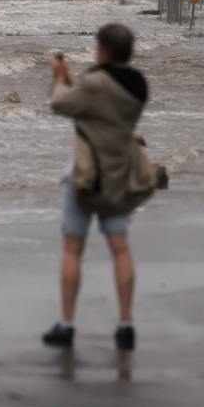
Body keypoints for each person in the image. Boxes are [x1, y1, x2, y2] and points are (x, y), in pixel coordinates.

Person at [41, 23, 154, 351]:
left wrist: (60, 77)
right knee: (120, 248)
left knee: (73, 248)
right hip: (120, 175)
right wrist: (79, 82)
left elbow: (62, 104)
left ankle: (66, 324)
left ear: (103, 49)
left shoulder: (95, 83)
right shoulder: (138, 84)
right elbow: (99, 104)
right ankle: (126, 323)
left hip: (88, 176)